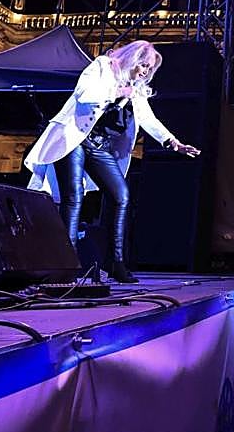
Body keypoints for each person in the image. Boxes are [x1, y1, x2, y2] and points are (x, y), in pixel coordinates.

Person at [24, 41, 199, 283]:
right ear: (133, 59)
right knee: (73, 198)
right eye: (144, 65)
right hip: (73, 137)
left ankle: (115, 262)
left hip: (99, 145)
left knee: (121, 195)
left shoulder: (135, 88)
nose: (146, 72)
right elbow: (84, 95)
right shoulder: (103, 66)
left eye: (150, 69)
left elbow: (148, 118)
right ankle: (68, 264)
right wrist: (117, 92)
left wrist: (173, 142)